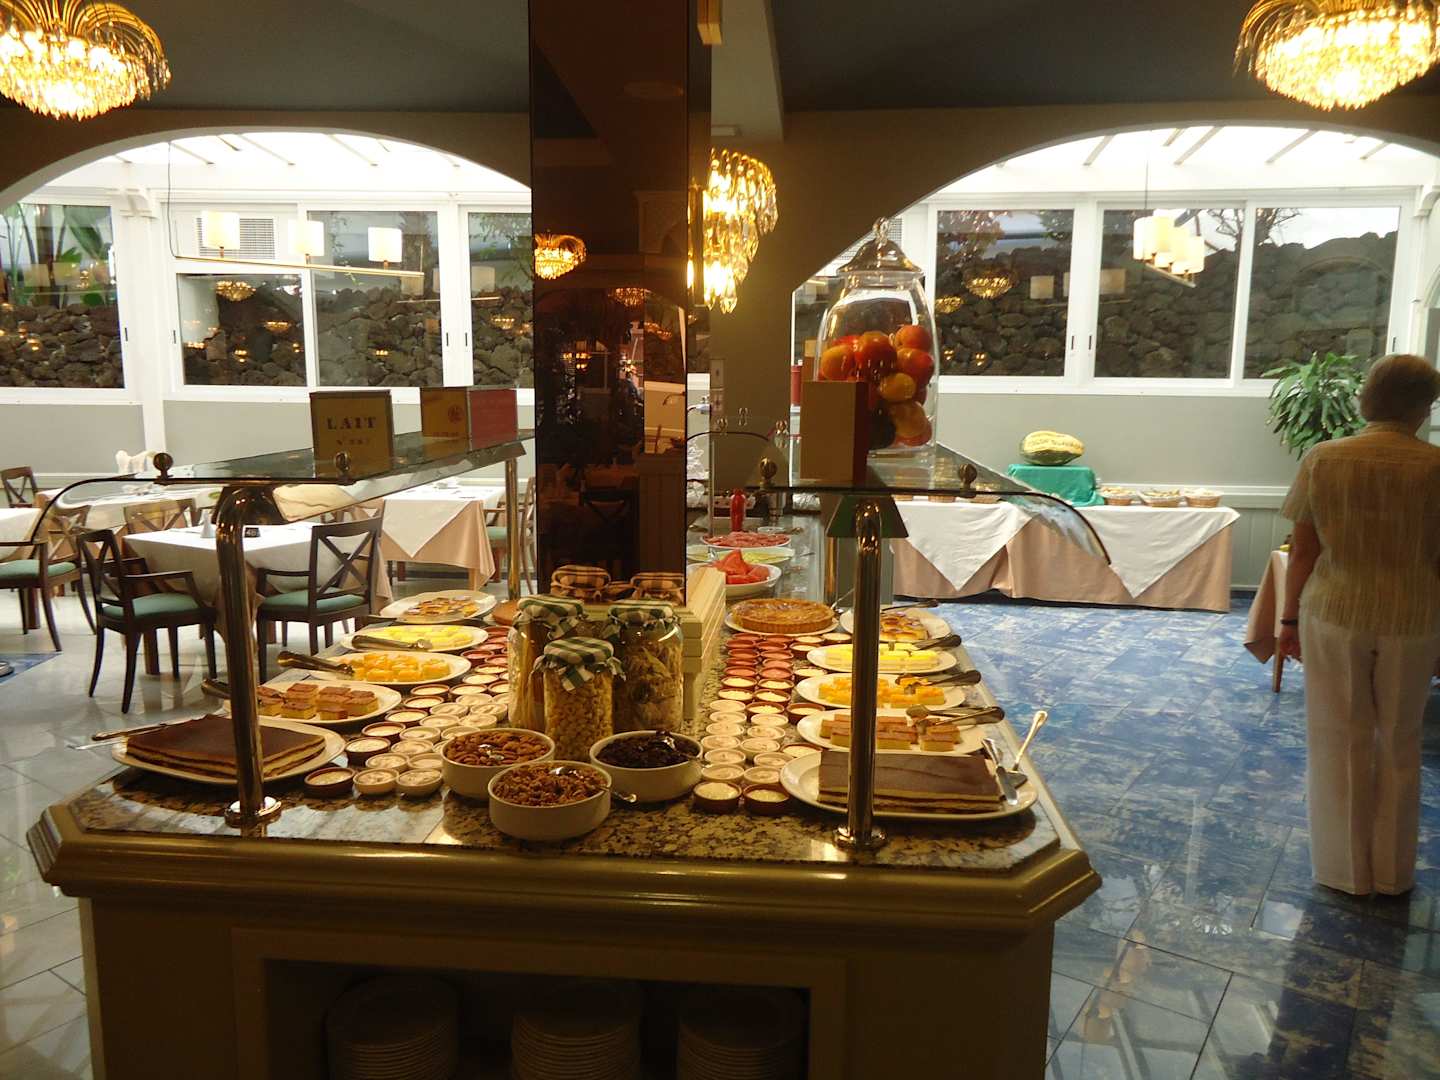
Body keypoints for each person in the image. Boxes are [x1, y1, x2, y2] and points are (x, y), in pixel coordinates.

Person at [1278, 353, 1440, 896]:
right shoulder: (1436, 466)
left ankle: (1345, 872)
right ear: (1424, 407)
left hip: (1335, 611)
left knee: (1337, 737)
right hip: (1414, 616)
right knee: (1401, 740)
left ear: (1367, 398)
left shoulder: (1324, 458)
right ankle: (1393, 875)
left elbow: (1303, 552)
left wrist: (1287, 620)